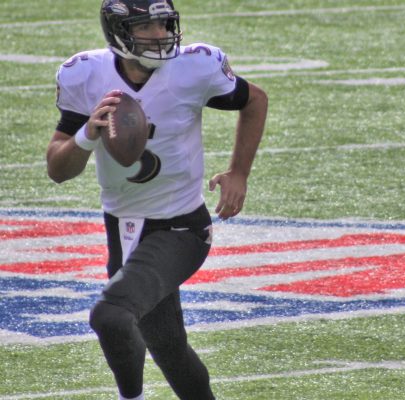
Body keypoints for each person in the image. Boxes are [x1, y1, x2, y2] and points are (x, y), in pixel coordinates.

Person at [46, 0, 268, 398]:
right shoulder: (85, 73)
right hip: (123, 227)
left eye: (165, 25)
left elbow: (255, 100)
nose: (161, 35)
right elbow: (58, 169)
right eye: (146, 26)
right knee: (168, 348)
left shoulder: (193, 67)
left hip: (181, 227)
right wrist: (87, 135)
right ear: (118, 31)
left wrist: (239, 172)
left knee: (111, 315)